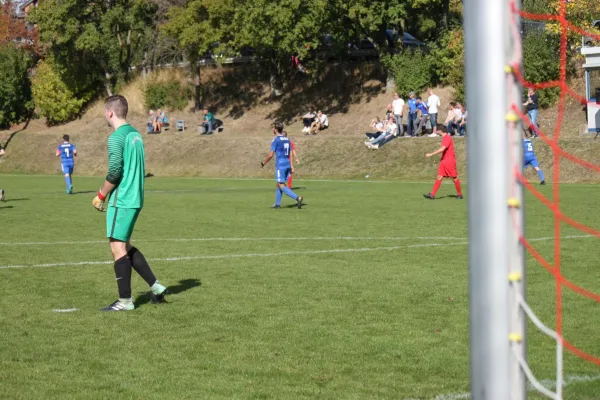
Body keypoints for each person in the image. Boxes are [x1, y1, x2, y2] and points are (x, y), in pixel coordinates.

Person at [92, 95, 168, 312]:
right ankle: (156, 287)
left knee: (117, 248)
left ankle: (125, 301)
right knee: (126, 245)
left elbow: (115, 171)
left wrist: (100, 195)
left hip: (122, 198)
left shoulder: (116, 137)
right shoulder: (136, 134)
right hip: (136, 197)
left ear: (110, 112)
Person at [260, 122, 303, 209]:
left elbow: (270, 155)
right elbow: (290, 154)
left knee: (281, 185)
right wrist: (291, 165)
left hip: (281, 165)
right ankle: (277, 204)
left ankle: (297, 198)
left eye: (273, 128)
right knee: (278, 184)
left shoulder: (276, 140)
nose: (272, 129)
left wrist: (263, 163)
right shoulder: (287, 139)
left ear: (275, 129)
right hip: (287, 164)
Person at [423, 125, 463, 200]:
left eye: (437, 130)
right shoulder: (445, 138)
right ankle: (432, 195)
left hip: (449, 161)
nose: (436, 132)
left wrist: (431, 154)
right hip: (444, 161)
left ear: (440, 131)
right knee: (439, 176)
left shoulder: (447, 137)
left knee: (454, 178)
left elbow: (442, 149)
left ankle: (459, 194)